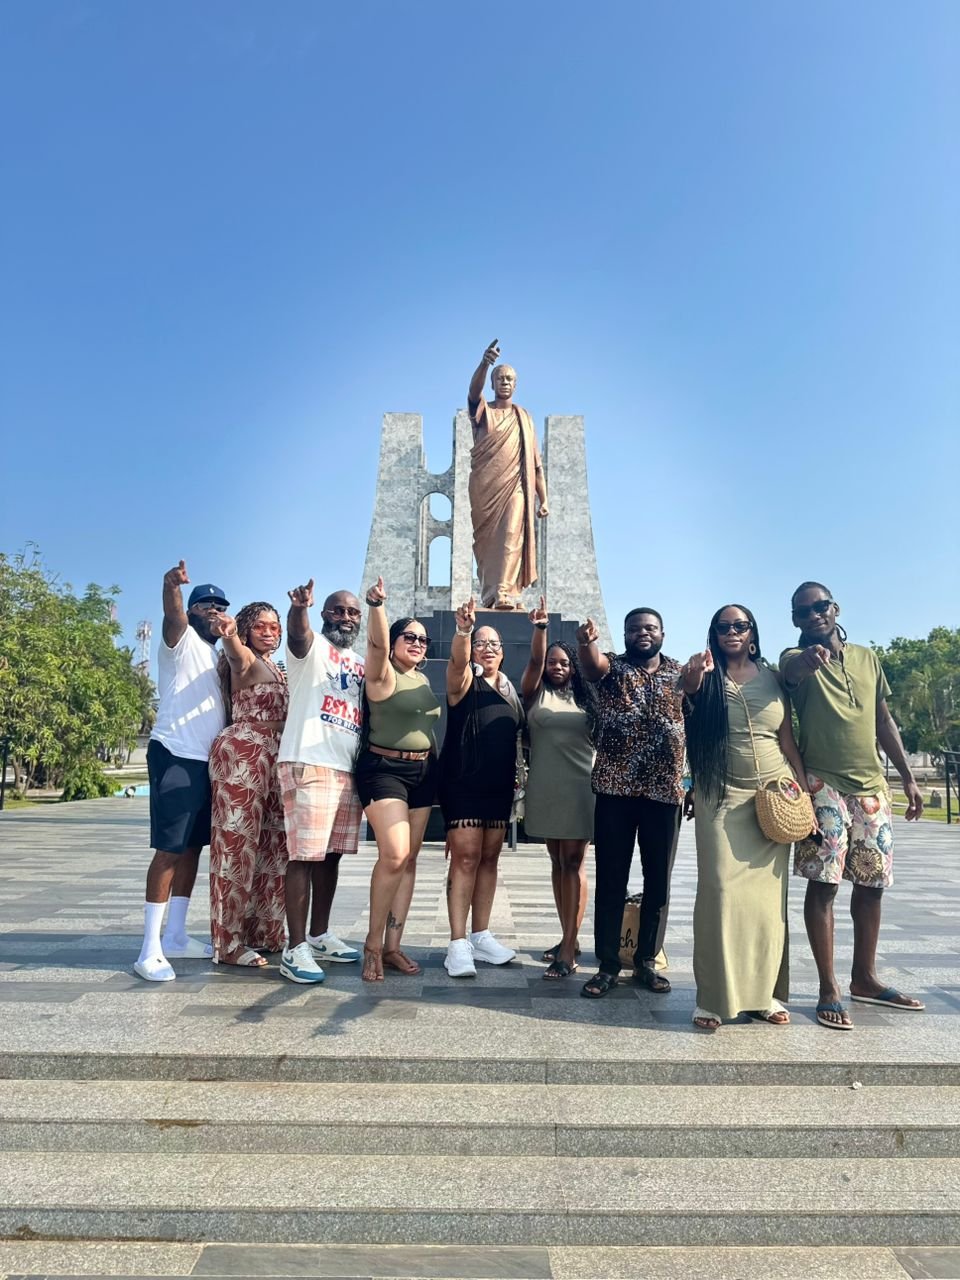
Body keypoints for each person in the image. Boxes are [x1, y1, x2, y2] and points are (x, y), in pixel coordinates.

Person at [781, 582, 925, 1029]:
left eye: (820, 606)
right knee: (824, 884)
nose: (814, 615)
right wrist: (808, 660)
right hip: (822, 784)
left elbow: (883, 719)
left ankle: (865, 978)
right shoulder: (793, 657)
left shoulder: (867, 658)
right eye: (803, 611)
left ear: (835, 608)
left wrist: (907, 776)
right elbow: (791, 673)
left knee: (872, 883)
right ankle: (829, 988)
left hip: (871, 788)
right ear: (796, 620)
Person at [681, 605, 810, 1031]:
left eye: (740, 626)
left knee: (767, 905)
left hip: (772, 795)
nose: (732, 632)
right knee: (719, 893)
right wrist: (694, 678)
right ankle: (712, 998)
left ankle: (763, 995)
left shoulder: (773, 678)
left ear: (752, 632)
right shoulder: (704, 675)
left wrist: (804, 790)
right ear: (714, 633)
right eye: (724, 627)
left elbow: (787, 740)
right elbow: (686, 697)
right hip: (720, 795)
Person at [577, 608, 686, 998]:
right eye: (635, 628)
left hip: (664, 791)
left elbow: (693, 725)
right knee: (611, 879)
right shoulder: (612, 668)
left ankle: (646, 961)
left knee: (658, 882)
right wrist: (586, 642)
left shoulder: (679, 673)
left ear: (662, 633)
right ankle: (607, 964)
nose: (643, 633)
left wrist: (692, 783)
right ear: (624, 635)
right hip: (615, 790)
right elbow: (591, 666)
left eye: (650, 627)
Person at [135, 562, 228, 982]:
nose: (215, 611)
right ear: (192, 611)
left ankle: (175, 935)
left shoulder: (216, 654)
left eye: (221, 606)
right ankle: (149, 948)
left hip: (205, 762)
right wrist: (171, 584)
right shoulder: (181, 639)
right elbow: (172, 615)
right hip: (175, 753)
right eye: (207, 605)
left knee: (192, 848)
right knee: (169, 850)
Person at [276, 579, 364, 984]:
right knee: (304, 856)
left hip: (345, 768)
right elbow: (297, 635)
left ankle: (319, 935)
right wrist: (300, 609)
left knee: (331, 856)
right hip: (309, 762)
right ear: (325, 614)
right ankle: (294, 948)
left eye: (353, 612)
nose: (346, 617)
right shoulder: (311, 650)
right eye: (338, 610)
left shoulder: (359, 661)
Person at [356, 577, 441, 982]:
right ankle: (372, 944)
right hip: (384, 769)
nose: (418, 643)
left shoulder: (422, 679)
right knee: (393, 855)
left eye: (423, 639)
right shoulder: (383, 673)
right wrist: (376, 606)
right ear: (394, 642)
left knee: (409, 860)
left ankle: (393, 946)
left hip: (422, 772)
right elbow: (374, 646)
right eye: (410, 637)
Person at [439, 598, 523, 976]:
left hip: (498, 786)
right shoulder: (462, 681)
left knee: (490, 858)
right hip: (463, 783)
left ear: (502, 653)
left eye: (494, 644)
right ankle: (457, 944)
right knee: (466, 858)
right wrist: (463, 631)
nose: (487, 648)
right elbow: (458, 662)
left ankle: (481, 935)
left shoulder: (509, 689)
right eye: (480, 643)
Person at [207, 601, 289, 967]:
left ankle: (263, 932)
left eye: (274, 626)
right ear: (246, 630)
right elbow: (235, 653)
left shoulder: (278, 667)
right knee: (236, 847)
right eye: (260, 626)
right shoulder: (245, 659)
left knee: (273, 847)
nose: (269, 632)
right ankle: (228, 943)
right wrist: (229, 635)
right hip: (244, 751)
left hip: (275, 756)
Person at [520, 596, 595, 979]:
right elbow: (534, 661)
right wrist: (541, 629)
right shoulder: (535, 691)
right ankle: (569, 934)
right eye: (553, 662)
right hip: (546, 786)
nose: (557, 666)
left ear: (574, 666)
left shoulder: (587, 696)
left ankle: (568, 947)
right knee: (556, 861)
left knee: (573, 862)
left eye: (564, 662)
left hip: (580, 785)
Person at [466, 339, 549, 610]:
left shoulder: (524, 417)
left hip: (516, 487)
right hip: (485, 488)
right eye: (499, 378)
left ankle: (505, 591)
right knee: (487, 544)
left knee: (513, 534)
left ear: (515, 384)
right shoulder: (483, 412)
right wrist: (484, 363)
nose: (504, 382)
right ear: (492, 383)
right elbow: (472, 393)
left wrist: (543, 498)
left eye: (509, 378)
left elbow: (535, 464)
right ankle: (491, 594)